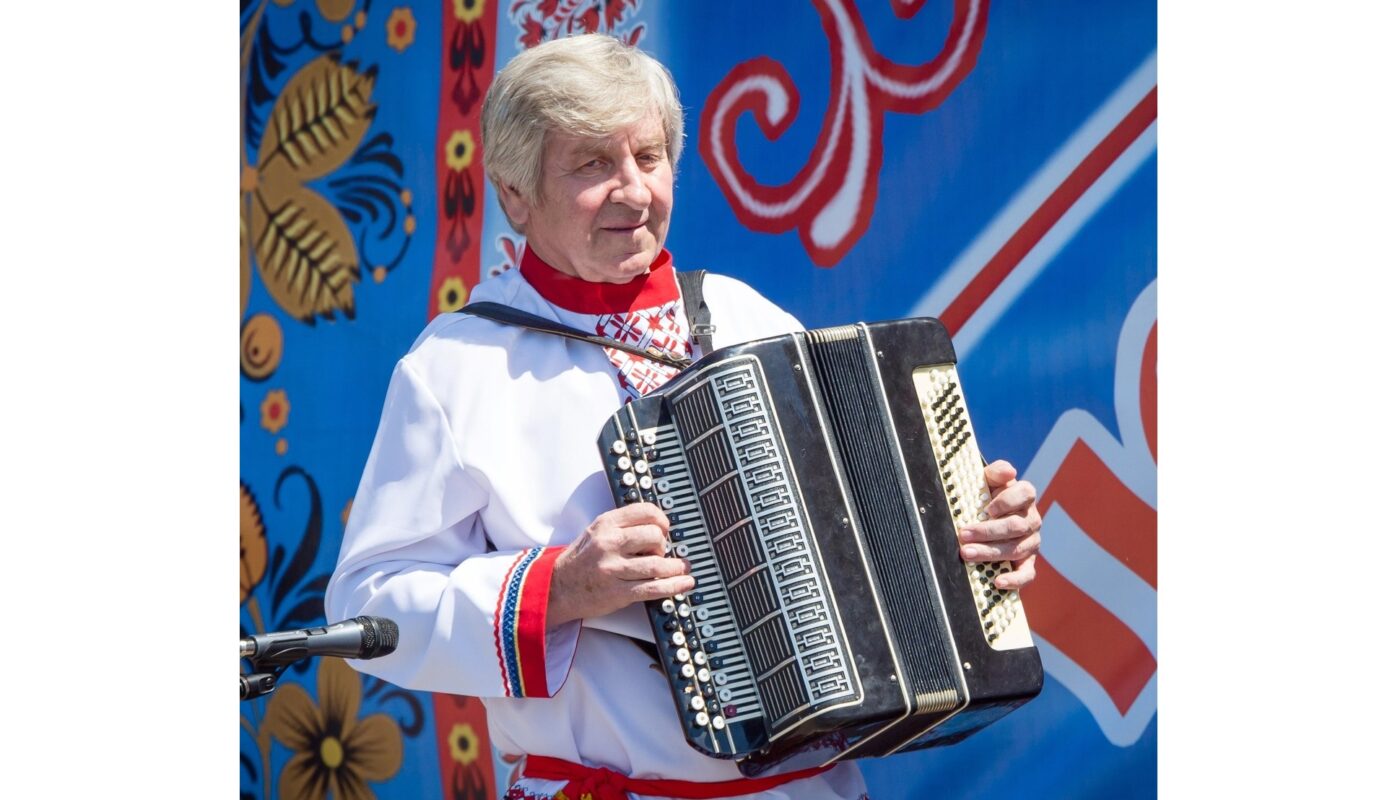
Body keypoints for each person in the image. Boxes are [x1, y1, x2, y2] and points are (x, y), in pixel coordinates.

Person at [326, 33, 1042, 800]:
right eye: (593, 165)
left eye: (649, 158)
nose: (634, 191)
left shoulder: (749, 318)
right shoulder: (456, 366)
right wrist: (558, 588)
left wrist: (977, 540)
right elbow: (369, 606)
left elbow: (877, 544)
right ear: (514, 193)